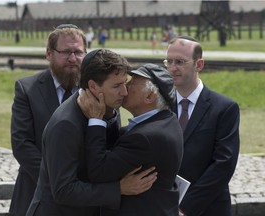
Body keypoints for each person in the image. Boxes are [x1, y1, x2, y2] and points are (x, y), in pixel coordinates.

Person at [25, 49, 158, 216]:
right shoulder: (65, 125)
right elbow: (63, 191)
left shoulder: (110, 109)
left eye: (125, 83)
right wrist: (119, 189)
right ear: (93, 86)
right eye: (117, 86)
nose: (124, 92)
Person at [78, 63, 184, 216]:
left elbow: (98, 171)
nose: (125, 88)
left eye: (132, 83)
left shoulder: (145, 138)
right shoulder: (167, 119)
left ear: (149, 97)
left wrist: (96, 120)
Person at [10, 23, 88, 216]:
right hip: (36, 195)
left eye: (78, 52)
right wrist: (57, 181)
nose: (72, 59)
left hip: (85, 198)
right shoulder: (27, 89)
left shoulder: (96, 89)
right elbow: (22, 144)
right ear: (49, 54)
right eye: (65, 52)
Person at [165, 35, 240, 216]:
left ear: (199, 65)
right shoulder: (162, 105)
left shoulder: (224, 108)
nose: (172, 68)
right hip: (165, 207)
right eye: (169, 61)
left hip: (208, 208)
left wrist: (186, 208)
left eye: (180, 62)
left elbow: (223, 165)